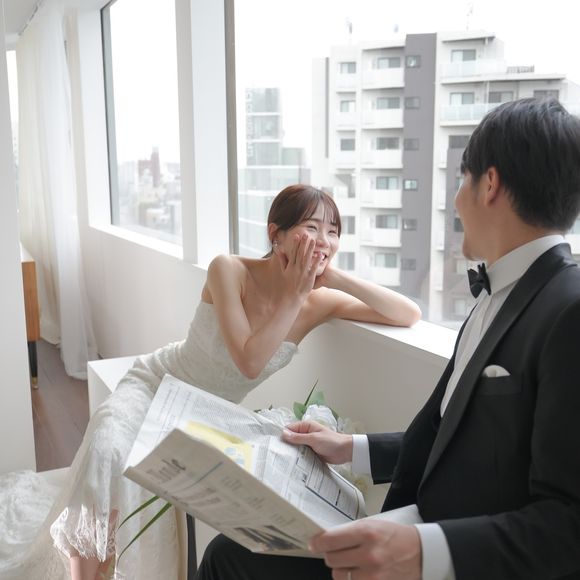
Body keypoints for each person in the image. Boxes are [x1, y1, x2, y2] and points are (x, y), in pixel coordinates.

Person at [194, 98, 580, 580]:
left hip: (457, 557)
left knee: (230, 561)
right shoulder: (496, 296)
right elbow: (449, 437)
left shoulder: (568, 310)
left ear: (490, 185)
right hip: (413, 526)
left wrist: (423, 550)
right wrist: (349, 447)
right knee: (229, 552)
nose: (455, 202)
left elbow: (568, 523)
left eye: (462, 180)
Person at [0, 184, 420, 580]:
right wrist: (296, 293)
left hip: (203, 415)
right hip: (155, 384)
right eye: (311, 228)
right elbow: (248, 360)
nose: (322, 241)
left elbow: (407, 314)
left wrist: (335, 278)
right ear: (276, 234)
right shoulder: (229, 269)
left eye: (332, 232)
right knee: (107, 450)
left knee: (146, 482)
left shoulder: (318, 301)